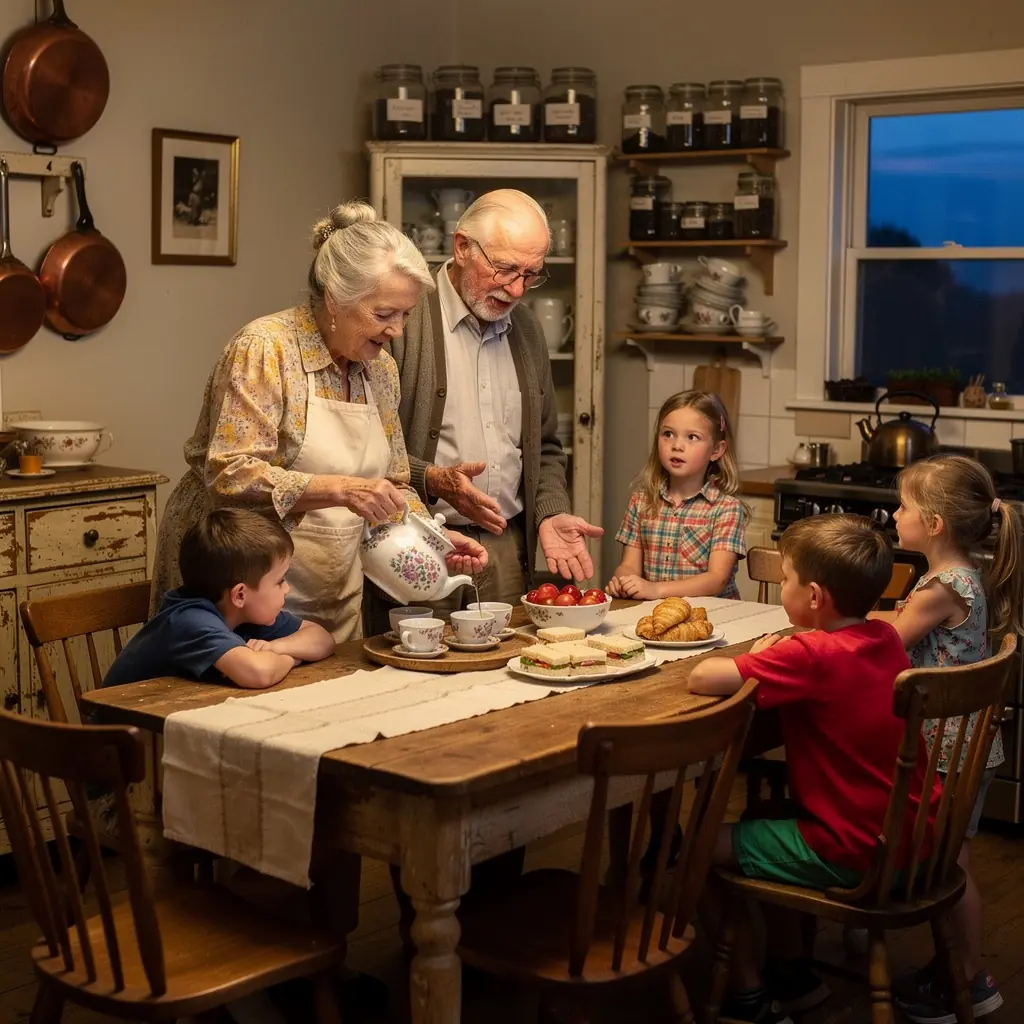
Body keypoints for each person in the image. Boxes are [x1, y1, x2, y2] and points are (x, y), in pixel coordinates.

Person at [151, 201, 486, 641]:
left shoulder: (380, 370)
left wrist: (433, 539)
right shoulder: (266, 348)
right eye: (383, 314)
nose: (397, 331)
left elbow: (394, 482)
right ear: (334, 297)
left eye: (405, 314)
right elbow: (230, 474)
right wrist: (342, 489)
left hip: (332, 585)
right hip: (234, 585)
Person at [688, 515, 941, 1024]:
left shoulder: (810, 653)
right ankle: (793, 974)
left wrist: (761, 655)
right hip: (918, 840)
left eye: (785, 579)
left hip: (858, 850)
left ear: (814, 597)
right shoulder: (884, 637)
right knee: (766, 815)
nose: (783, 586)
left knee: (696, 845)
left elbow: (702, 676)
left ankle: (747, 993)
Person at [372, 188, 602, 628]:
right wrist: (433, 480)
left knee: (505, 663)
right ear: (462, 247)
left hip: (504, 547)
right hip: (417, 541)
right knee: (414, 662)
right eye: (505, 269)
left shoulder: (527, 329)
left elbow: (546, 447)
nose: (516, 289)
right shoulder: (405, 317)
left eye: (531, 274)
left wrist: (551, 510)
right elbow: (369, 451)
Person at [871, 455, 1023, 1022]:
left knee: (949, 866)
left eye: (904, 507)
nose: (895, 514)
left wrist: (850, 625)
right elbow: (901, 621)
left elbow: (891, 643)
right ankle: (954, 969)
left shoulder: (942, 586)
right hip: (964, 748)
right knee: (949, 860)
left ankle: (968, 976)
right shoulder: (957, 575)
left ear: (933, 524)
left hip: (946, 753)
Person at [105, 509, 334, 690]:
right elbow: (258, 673)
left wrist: (275, 647)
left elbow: (322, 639)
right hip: (122, 732)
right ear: (240, 595)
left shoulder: (243, 613)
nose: (287, 589)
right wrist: (292, 658)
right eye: (280, 581)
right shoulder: (189, 620)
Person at [606, 389, 747, 600]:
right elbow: (629, 565)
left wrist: (656, 590)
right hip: (657, 613)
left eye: (692, 437)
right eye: (668, 434)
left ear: (716, 450)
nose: (677, 446)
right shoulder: (641, 502)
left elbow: (716, 579)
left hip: (713, 615)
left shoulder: (726, 509)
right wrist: (624, 581)